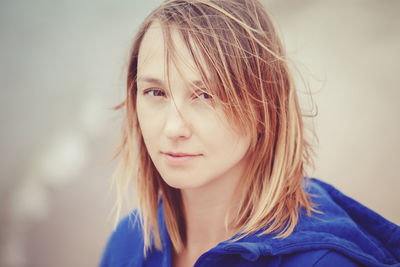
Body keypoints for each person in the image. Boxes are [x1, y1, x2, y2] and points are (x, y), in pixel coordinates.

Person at [100, 0, 400, 266]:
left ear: (264, 105)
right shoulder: (128, 244)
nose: (173, 128)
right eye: (156, 92)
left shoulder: (322, 261)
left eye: (205, 95)